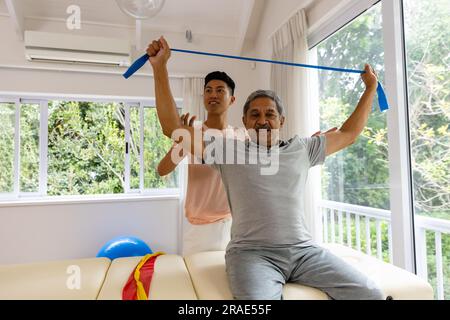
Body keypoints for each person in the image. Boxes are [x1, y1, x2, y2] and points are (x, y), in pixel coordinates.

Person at [147, 36, 385, 300]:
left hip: (304, 251)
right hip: (251, 254)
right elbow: (171, 127)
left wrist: (370, 89)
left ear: (281, 120)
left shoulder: (302, 148)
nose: (262, 121)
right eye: (255, 115)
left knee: (371, 292)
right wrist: (160, 67)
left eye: (269, 114)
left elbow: (349, 133)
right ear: (245, 121)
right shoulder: (228, 148)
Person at [157, 71, 241, 256]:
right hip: (198, 229)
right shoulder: (192, 133)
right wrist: (180, 142)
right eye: (208, 90)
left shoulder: (239, 137)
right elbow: (162, 170)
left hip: (231, 227)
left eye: (220, 90)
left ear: (232, 99)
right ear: (203, 97)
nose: (213, 94)